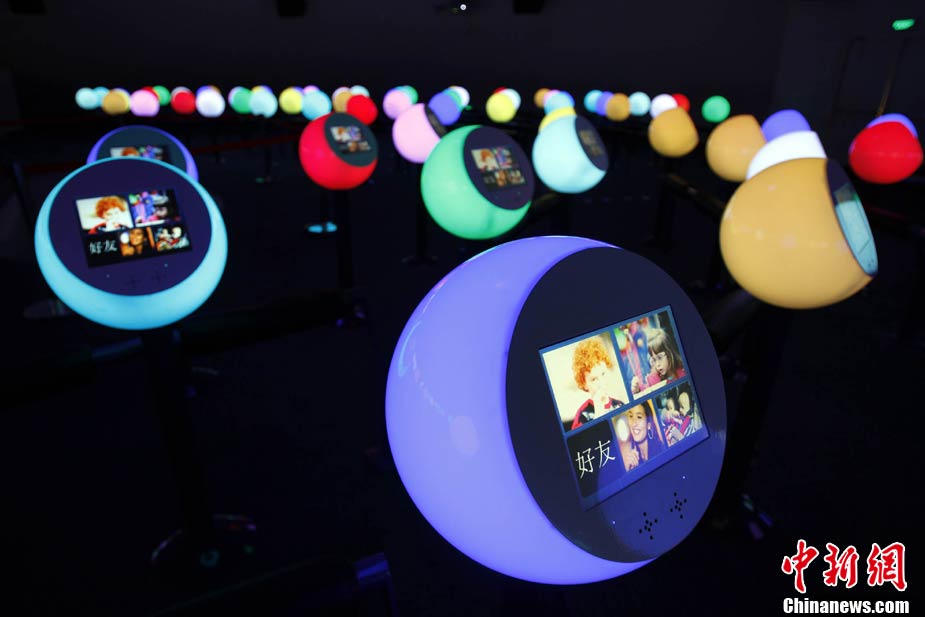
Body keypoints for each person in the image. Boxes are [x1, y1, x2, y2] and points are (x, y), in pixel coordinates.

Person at [570, 337, 625, 430]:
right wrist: (599, 410)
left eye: (603, 374)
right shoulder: (582, 415)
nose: (601, 383)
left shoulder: (619, 405)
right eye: (594, 379)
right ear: (584, 384)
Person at [630, 328, 685, 394]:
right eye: (654, 360)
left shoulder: (683, 370)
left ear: (669, 353)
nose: (657, 364)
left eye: (660, 357)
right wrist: (637, 389)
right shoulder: (654, 379)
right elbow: (646, 391)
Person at [619, 403, 665, 471]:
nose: (634, 423)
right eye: (631, 416)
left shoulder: (662, 449)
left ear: (648, 425)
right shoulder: (629, 455)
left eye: (639, 417)